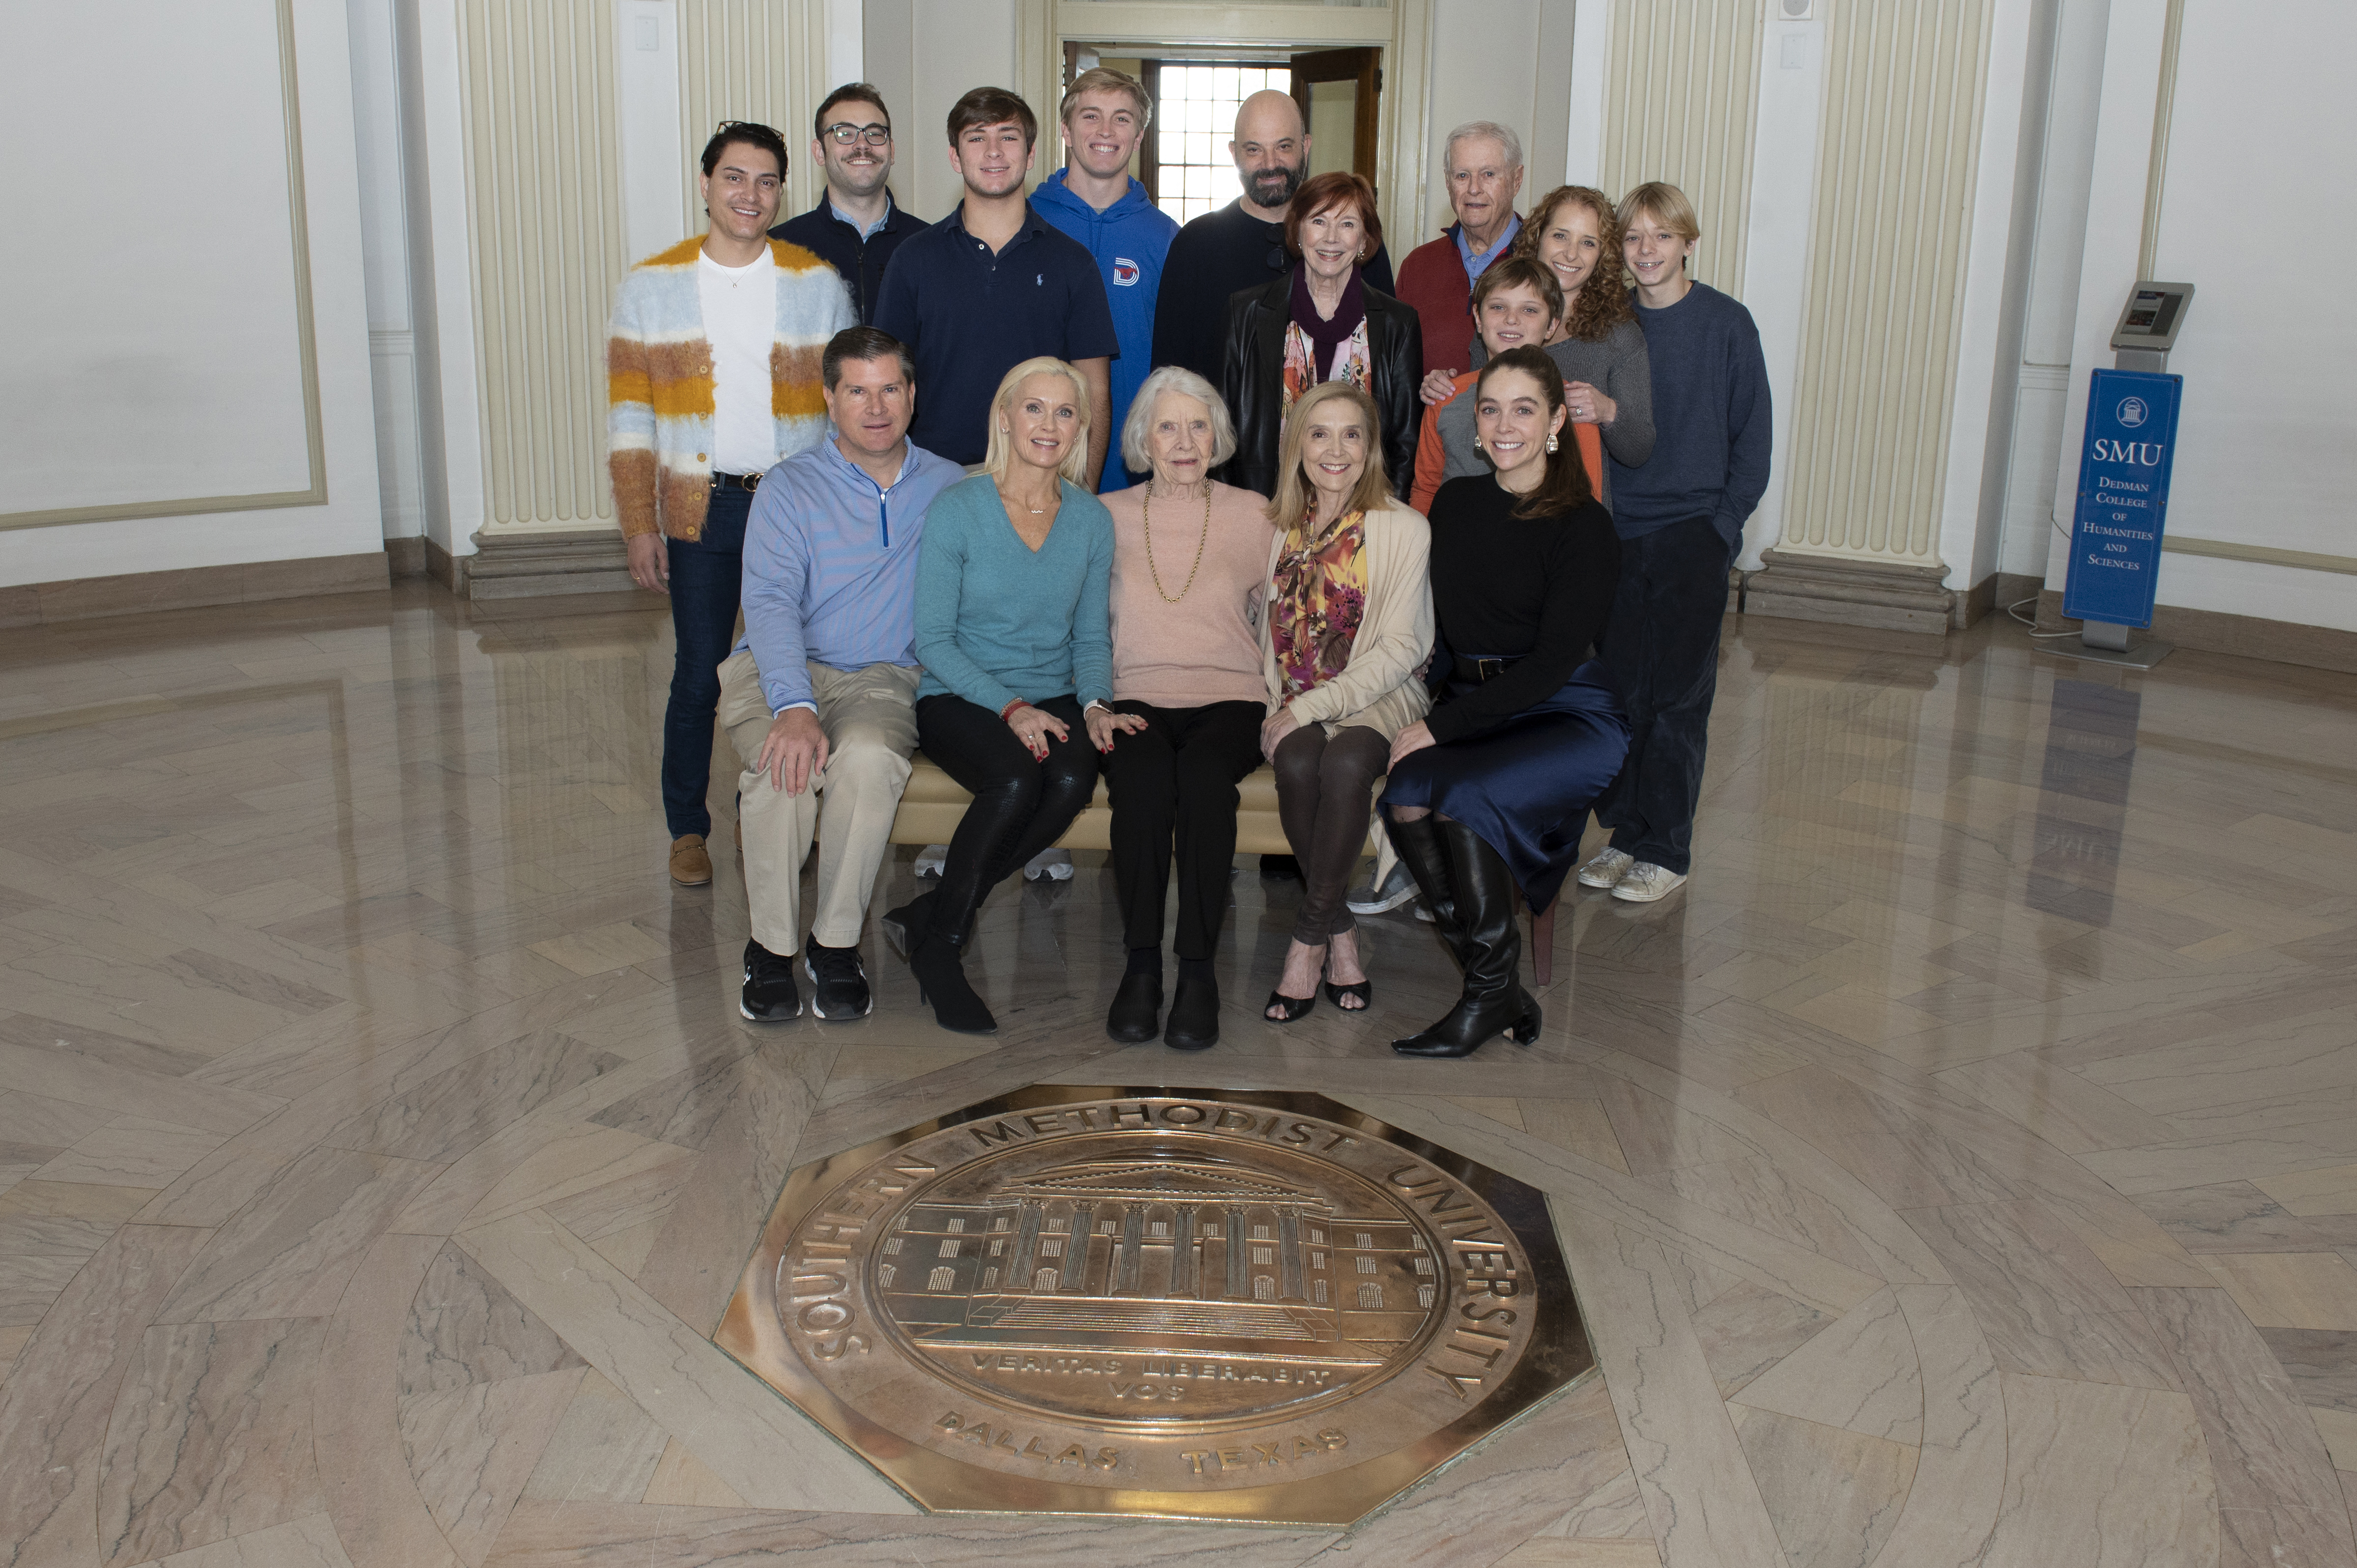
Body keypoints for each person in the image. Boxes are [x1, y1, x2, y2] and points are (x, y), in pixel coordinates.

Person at [608, 121, 854, 887]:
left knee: (799, 669)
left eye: (767, 180)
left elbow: (849, 408)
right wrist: (639, 524)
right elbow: (630, 420)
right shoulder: (652, 287)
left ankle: (776, 811)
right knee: (699, 675)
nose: (751, 194)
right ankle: (689, 828)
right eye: (735, 178)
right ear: (708, 185)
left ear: (782, 190)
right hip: (700, 511)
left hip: (796, 507)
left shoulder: (817, 285)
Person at [1381, 348, 1627, 1057]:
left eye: (1523, 409)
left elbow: (1553, 661)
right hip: (1475, 699)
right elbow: (1449, 635)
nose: (1503, 424)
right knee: (1404, 792)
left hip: (1566, 711)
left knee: (1460, 794)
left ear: (1555, 421)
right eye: (1489, 409)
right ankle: (1499, 987)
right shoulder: (1456, 504)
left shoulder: (1585, 524)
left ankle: (1487, 995)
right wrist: (1416, 708)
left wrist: (1441, 725)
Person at [715, 327, 960, 1022]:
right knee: (782, 768)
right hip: (775, 665)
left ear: (912, 396)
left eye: (890, 389)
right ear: (829, 399)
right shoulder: (789, 487)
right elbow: (765, 604)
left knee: (869, 756)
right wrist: (791, 705)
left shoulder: (950, 486)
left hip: (882, 677)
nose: (875, 406)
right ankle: (769, 950)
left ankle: (835, 946)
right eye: (857, 390)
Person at [882, 359, 1115, 1035]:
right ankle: (942, 947)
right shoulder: (958, 507)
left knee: (1072, 774)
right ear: (1006, 418)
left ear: (1081, 428)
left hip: (1056, 690)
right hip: (960, 693)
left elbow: (1091, 640)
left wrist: (1095, 703)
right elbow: (934, 641)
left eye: (1065, 412)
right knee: (1014, 779)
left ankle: (932, 913)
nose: (1049, 425)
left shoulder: (1091, 521)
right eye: (1034, 409)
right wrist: (1011, 708)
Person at [1575, 181, 1768, 905]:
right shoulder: (1611, 323)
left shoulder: (1726, 324)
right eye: (1632, 238)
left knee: (1679, 699)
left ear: (1689, 242)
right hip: (1618, 532)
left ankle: (1666, 848)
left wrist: (1722, 530)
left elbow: (1753, 439)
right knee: (1624, 693)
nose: (1646, 250)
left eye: (1662, 236)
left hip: (1692, 532)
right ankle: (1626, 836)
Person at [1096, 369, 1274, 1051]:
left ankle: (1196, 971)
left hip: (1231, 695)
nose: (1183, 440)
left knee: (1203, 783)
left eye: (1198, 425)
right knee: (1141, 786)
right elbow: (1084, 624)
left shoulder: (1256, 513)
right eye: (1166, 426)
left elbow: (1280, 621)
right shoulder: (1106, 515)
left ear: (1218, 437)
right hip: (1134, 691)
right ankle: (1141, 966)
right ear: (1142, 436)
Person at [1257, 381, 1432, 1023]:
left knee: (1346, 764)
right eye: (1319, 433)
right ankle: (1341, 932)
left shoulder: (1403, 528)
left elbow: (1399, 650)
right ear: (1296, 444)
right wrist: (1283, 705)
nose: (1336, 450)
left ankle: (1305, 943)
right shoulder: (1278, 529)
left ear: (1371, 447)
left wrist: (1303, 711)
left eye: (1351, 434)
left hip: (1377, 696)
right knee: (1298, 763)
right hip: (1294, 696)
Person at [874, 88, 1118, 483]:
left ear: (1032, 153)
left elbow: (1094, 392)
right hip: (932, 480)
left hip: (1042, 479)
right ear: (955, 156)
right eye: (976, 137)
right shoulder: (913, 259)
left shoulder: (1074, 264)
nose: (994, 151)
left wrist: (1082, 497)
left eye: (1008, 137)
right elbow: (885, 381)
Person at [1419, 186, 1654, 509]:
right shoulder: (1499, 327)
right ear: (1538, 237)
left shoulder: (1619, 338)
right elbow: (1477, 416)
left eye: (1588, 243)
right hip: (1489, 505)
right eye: (1560, 236)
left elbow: (1639, 450)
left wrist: (1607, 411)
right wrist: (1444, 387)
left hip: (1569, 512)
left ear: (1604, 255)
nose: (1571, 254)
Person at [1150, 89, 1395, 389]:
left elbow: (1387, 362)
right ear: (1234, 153)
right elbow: (1168, 376)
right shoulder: (1195, 245)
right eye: (1254, 150)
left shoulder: (1349, 242)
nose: (1270, 164)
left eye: (1284, 147)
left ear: (1306, 146)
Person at [1219, 171, 1423, 502]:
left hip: (1364, 516)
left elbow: (1405, 443)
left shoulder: (1400, 324)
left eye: (1347, 224)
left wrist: (1386, 522)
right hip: (1267, 512)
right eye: (1318, 221)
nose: (1332, 238)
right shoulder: (1246, 313)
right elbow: (1224, 427)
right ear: (1298, 231)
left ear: (1365, 239)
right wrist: (1239, 516)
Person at [1033, 67, 1179, 493]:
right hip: (1034, 454)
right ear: (1066, 130)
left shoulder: (1166, 238)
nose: (1106, 130)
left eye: (1122, 118)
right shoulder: (1027, 223)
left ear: (1138, 137)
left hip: (1137, 465)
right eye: (1091, 116)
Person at [1408, 256, 1600, 514]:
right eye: (1498, 307)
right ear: (1478, 317)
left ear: (1552, 325)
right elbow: (1426, 490)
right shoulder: (1445, 396)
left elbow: (1589, 502)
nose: (1511, 319)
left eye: (1529, 310)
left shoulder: (1573, 406)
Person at [770, 84, 926, 325]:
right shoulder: (779, 250)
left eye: (874, 133)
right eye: (844, 133)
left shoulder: (930, 247)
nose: (862, 145)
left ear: (892, 151)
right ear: (819, 152)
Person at [1394, 121, 1526, 379]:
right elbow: (1396, 371)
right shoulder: (1417, 265)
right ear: (1448, 182)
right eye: (1462, 176)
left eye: (1489, 174)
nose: (1474, 188)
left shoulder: (1541, 261)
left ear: (1517, 180)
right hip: (1433, 418)